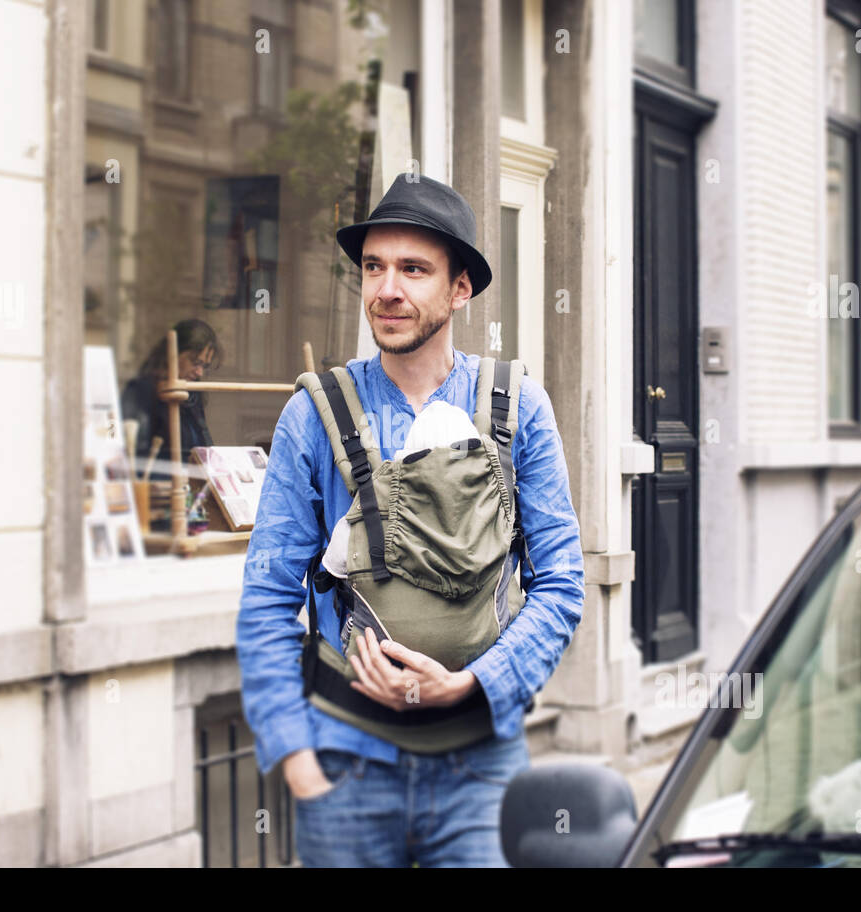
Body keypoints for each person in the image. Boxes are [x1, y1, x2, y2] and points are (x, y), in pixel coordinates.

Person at [235, 175, 584, 867]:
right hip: (347, 767)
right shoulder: (316, 413)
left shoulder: (517, 408)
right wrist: (297, 758)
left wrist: (474, 682)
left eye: (413, 269)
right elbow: (268, 597)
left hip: (481, 770)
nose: (387, 289)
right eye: (374, 267)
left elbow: (563, 584)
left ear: (460, 288)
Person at [120, 318, 223, 475]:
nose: (199, 372)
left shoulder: (192, 394)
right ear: (173, 354)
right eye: (195, 362)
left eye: (204, 366)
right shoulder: (141, 391)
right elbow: (115, 437)